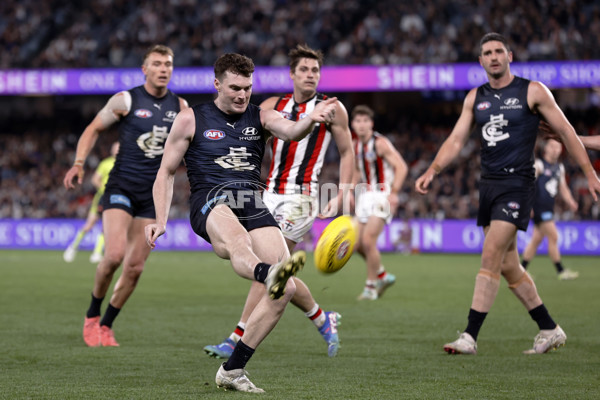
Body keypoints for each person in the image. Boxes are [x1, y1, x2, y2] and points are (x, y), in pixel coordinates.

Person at [145, 53, 338, 393]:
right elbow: (165, 173)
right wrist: (160, 219)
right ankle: (267, 273)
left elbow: (292, 130)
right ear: (216, 83)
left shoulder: (260, 116)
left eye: (247, 88)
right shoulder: (191, 118)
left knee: (287, 289)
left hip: (251, 201)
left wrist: (312, 119)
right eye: (234, 87)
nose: (241, 95)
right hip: (211, 200)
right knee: (239, 245)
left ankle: (232, 371)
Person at [415, 33, 600, 355]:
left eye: (499, 51)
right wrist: (433, 170)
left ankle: (469, 336)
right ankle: (549, 328)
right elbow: (457, 139)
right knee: (508, 265)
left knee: (489, 256)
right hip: (489, 186)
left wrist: (589, 172)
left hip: (518, 184)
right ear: (481, 61)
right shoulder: (475, 97)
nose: (494, 56)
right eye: (487, 52)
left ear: (510, 56)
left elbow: (566, 132)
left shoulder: (533, 91)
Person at [203, 44, 354, 360]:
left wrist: (342, 192)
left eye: (315, 70)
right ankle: (324, 319)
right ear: (292, 74)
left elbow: (346, 152)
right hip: (266, 193)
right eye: (304, 70)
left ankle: (237, 336)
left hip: (301, 197)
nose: (310, 75)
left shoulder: (332, 108)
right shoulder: (273, 105)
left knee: (269, 267)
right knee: (277, 269)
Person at [63, 44, 189, 347]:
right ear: (144, 69)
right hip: (121, 187)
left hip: (152, 194)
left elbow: (191, 146)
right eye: (157, 64)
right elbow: (93, 128)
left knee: (135, 267)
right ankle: (92, 314)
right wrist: (79, 163)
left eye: (168, 64)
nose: (163, 69)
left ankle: (106, 326)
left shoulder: (182, 107)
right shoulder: (126, 100)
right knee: (114, 255)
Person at [350, 105, 408, 300]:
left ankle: (370, 287)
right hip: (365, 197)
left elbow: (401, 166)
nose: (362, 125)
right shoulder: (355, 145)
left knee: (368, 241)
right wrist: (350, 191)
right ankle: (381, 275)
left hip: (382, 196)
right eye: (358, 121)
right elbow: (358, 171)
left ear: (371, 124)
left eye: (365, 121)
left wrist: (395, 193)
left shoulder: (380, 143)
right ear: (353, 124)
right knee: (357, 244)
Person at [521, 138, 579, 280]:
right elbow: (527, 184)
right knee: (554, 236)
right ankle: (561, 271)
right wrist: (527, 205)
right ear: (546, 148)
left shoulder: (559, 168)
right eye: (552, 146)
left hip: (548, 208)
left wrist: (571, 201)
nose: (555, 149)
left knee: (536, 240)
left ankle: (521, 271)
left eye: (558, 147)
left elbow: (563, 188)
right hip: (539, 208)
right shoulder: (539, 165)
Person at [64, 141, 119, 264]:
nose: (117, 150)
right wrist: (105, 189)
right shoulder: (105, 164)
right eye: (116, 148)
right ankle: (73, 247)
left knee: (106, 227)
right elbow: (95, 180)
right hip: (103, 197)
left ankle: (97, 253)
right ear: (112, 150)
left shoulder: (124, 164)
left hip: (115, 198)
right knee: (90, 224)